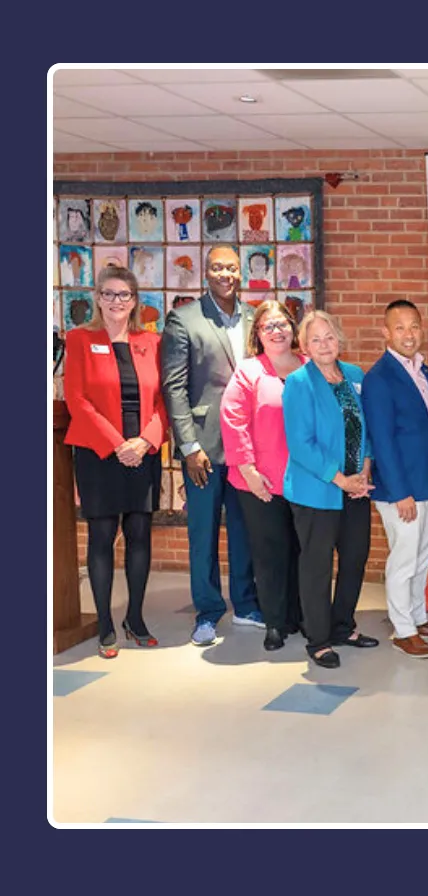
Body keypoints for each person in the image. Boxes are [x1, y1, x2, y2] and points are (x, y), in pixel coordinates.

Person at [63, 265, 167, 657]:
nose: (116, 301)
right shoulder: (79, 339)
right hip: (99, 454)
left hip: (143, 452)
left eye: (124, 294)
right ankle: (106, 622)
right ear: (97, 298)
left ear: (135, 300)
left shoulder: (151, 342)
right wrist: (116, 443)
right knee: (102, 537)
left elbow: (163, 400)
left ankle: (135, 618)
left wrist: (144, 441)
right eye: (108, 293)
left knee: (140, 536)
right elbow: (78, 400)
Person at [161, 245, 263, 645]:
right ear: (206, 272)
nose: (226, 274)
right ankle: (207, 612)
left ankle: (247, 604)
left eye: (232, 268)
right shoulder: (183, 318)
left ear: (241, 273)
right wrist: (188, 446)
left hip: (247, 448)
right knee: (203, 533)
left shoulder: (255, 317)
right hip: (203, 447)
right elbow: (174, 386)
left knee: (244, 529)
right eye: (218, 267)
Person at [361, 299, 428, 660]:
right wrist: (400, 492)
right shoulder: (379, 378)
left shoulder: (423, 370)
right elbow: (382, 441)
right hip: (402, 489)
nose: (408, 334)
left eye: (414, 326)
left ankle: (417, 618)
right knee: (404, 558)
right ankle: (403, 630)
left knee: (422, 556)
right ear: (385, 332)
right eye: (399, 327)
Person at [282, 311, 378, 669]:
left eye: (330, 337)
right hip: (317, 490)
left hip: (356, 488)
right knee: (317, 565)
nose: (324, 345)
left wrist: (365, 465)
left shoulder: (355, 376)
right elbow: (300, 444)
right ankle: (319, 640)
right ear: (305, 346)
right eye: (316, 339)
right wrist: (340, 479)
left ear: (340, 339)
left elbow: (366, 428)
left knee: (355, 558)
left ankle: (343, 627)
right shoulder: (298, 383)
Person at [219, 301, 306, 653]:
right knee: (270, 553)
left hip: (306, 480)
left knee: (302, 551)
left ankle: (299, 616)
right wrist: (248, 470)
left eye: (282, 323)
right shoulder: (249, 371)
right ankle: (274, 622)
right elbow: (232, 419)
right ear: (258, 334)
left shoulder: (308, 365)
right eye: (268, 326)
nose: (276, 331)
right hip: (261, 482)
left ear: (292, 327)